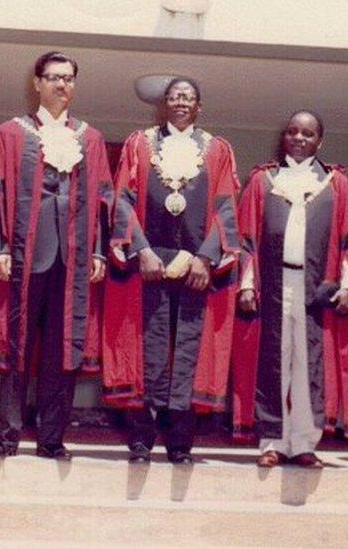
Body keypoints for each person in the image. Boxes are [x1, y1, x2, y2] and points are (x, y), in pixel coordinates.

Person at [0, 51, 136, 461]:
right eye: (53, 78)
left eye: (68, 79)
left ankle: (52, 439)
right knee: (16, 347)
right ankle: (8, 436)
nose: (61, 85)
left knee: (63, 351)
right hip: (22, 257)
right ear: (36, 83)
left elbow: (103, 197)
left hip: (71, 263)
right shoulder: (10, 133)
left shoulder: (89, 138)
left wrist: (98, 253)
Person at [102, 77, 240, 465]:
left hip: (197, 264)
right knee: (148, 349)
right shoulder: (139, 143)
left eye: (189, 97)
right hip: (151, 263)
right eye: (175, 97)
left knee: (189, 354)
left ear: (199, 107)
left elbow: (227, 207)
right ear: (164, 105)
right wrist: (141, 250)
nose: (181, 102)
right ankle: (142, 440)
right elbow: (123, 200)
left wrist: (207, 257)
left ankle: (180, 444)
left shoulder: (218, 149)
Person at [231, 110, 348, 469]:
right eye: (292, 131)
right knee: (274, 362)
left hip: (316, 288)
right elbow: (245, 237)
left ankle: (305, 443)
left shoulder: (336, 184)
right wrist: (246, 283)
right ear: (284, 137)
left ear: (319, 141)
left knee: (308, 365)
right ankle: (272, 441)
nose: (298, 138)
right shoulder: (263, 181)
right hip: (273, 285)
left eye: (307, 134)